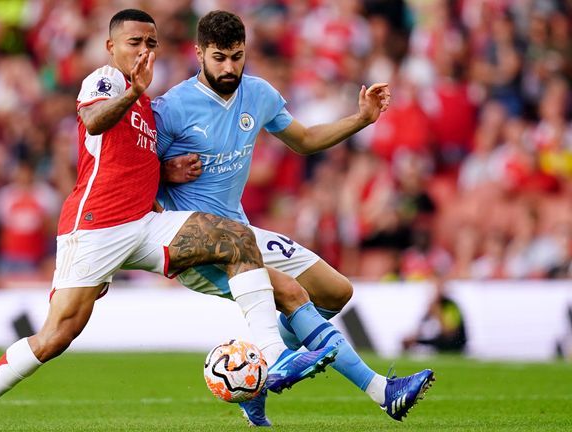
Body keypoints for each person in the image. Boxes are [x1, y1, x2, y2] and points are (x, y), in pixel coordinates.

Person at [0, 9, 335, 432]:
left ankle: (273, 357)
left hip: (143, 225)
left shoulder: (147, 103)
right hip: (95, 228)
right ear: (112, 47)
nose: (144, 50)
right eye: (134, 42)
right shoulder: (107, 81)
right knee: (56, 335)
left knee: (235, 237)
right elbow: (93, 121)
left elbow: (125, 157)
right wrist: (131, 94)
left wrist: (165, 170)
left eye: (151, 43)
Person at [154, 10, 434, 426]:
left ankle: (256, 377)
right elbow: (136, 172)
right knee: (288, 292)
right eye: (219, 58)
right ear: (198, 53)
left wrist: (361, 119)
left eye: (237, 56)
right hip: (197, 243)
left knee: (336, 292)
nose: (229, 67)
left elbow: (303, 140)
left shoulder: (259, 94)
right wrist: (164, 172)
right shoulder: (172, 108)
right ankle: (382, 391)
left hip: (241, 233)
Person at [402, 275, 467, 354]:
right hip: (438, 340)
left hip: (453, 344)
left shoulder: (450, 305)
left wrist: (437, 313)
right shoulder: (431, 306)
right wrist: (413, 338)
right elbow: (422, 327)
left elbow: (450, 333)